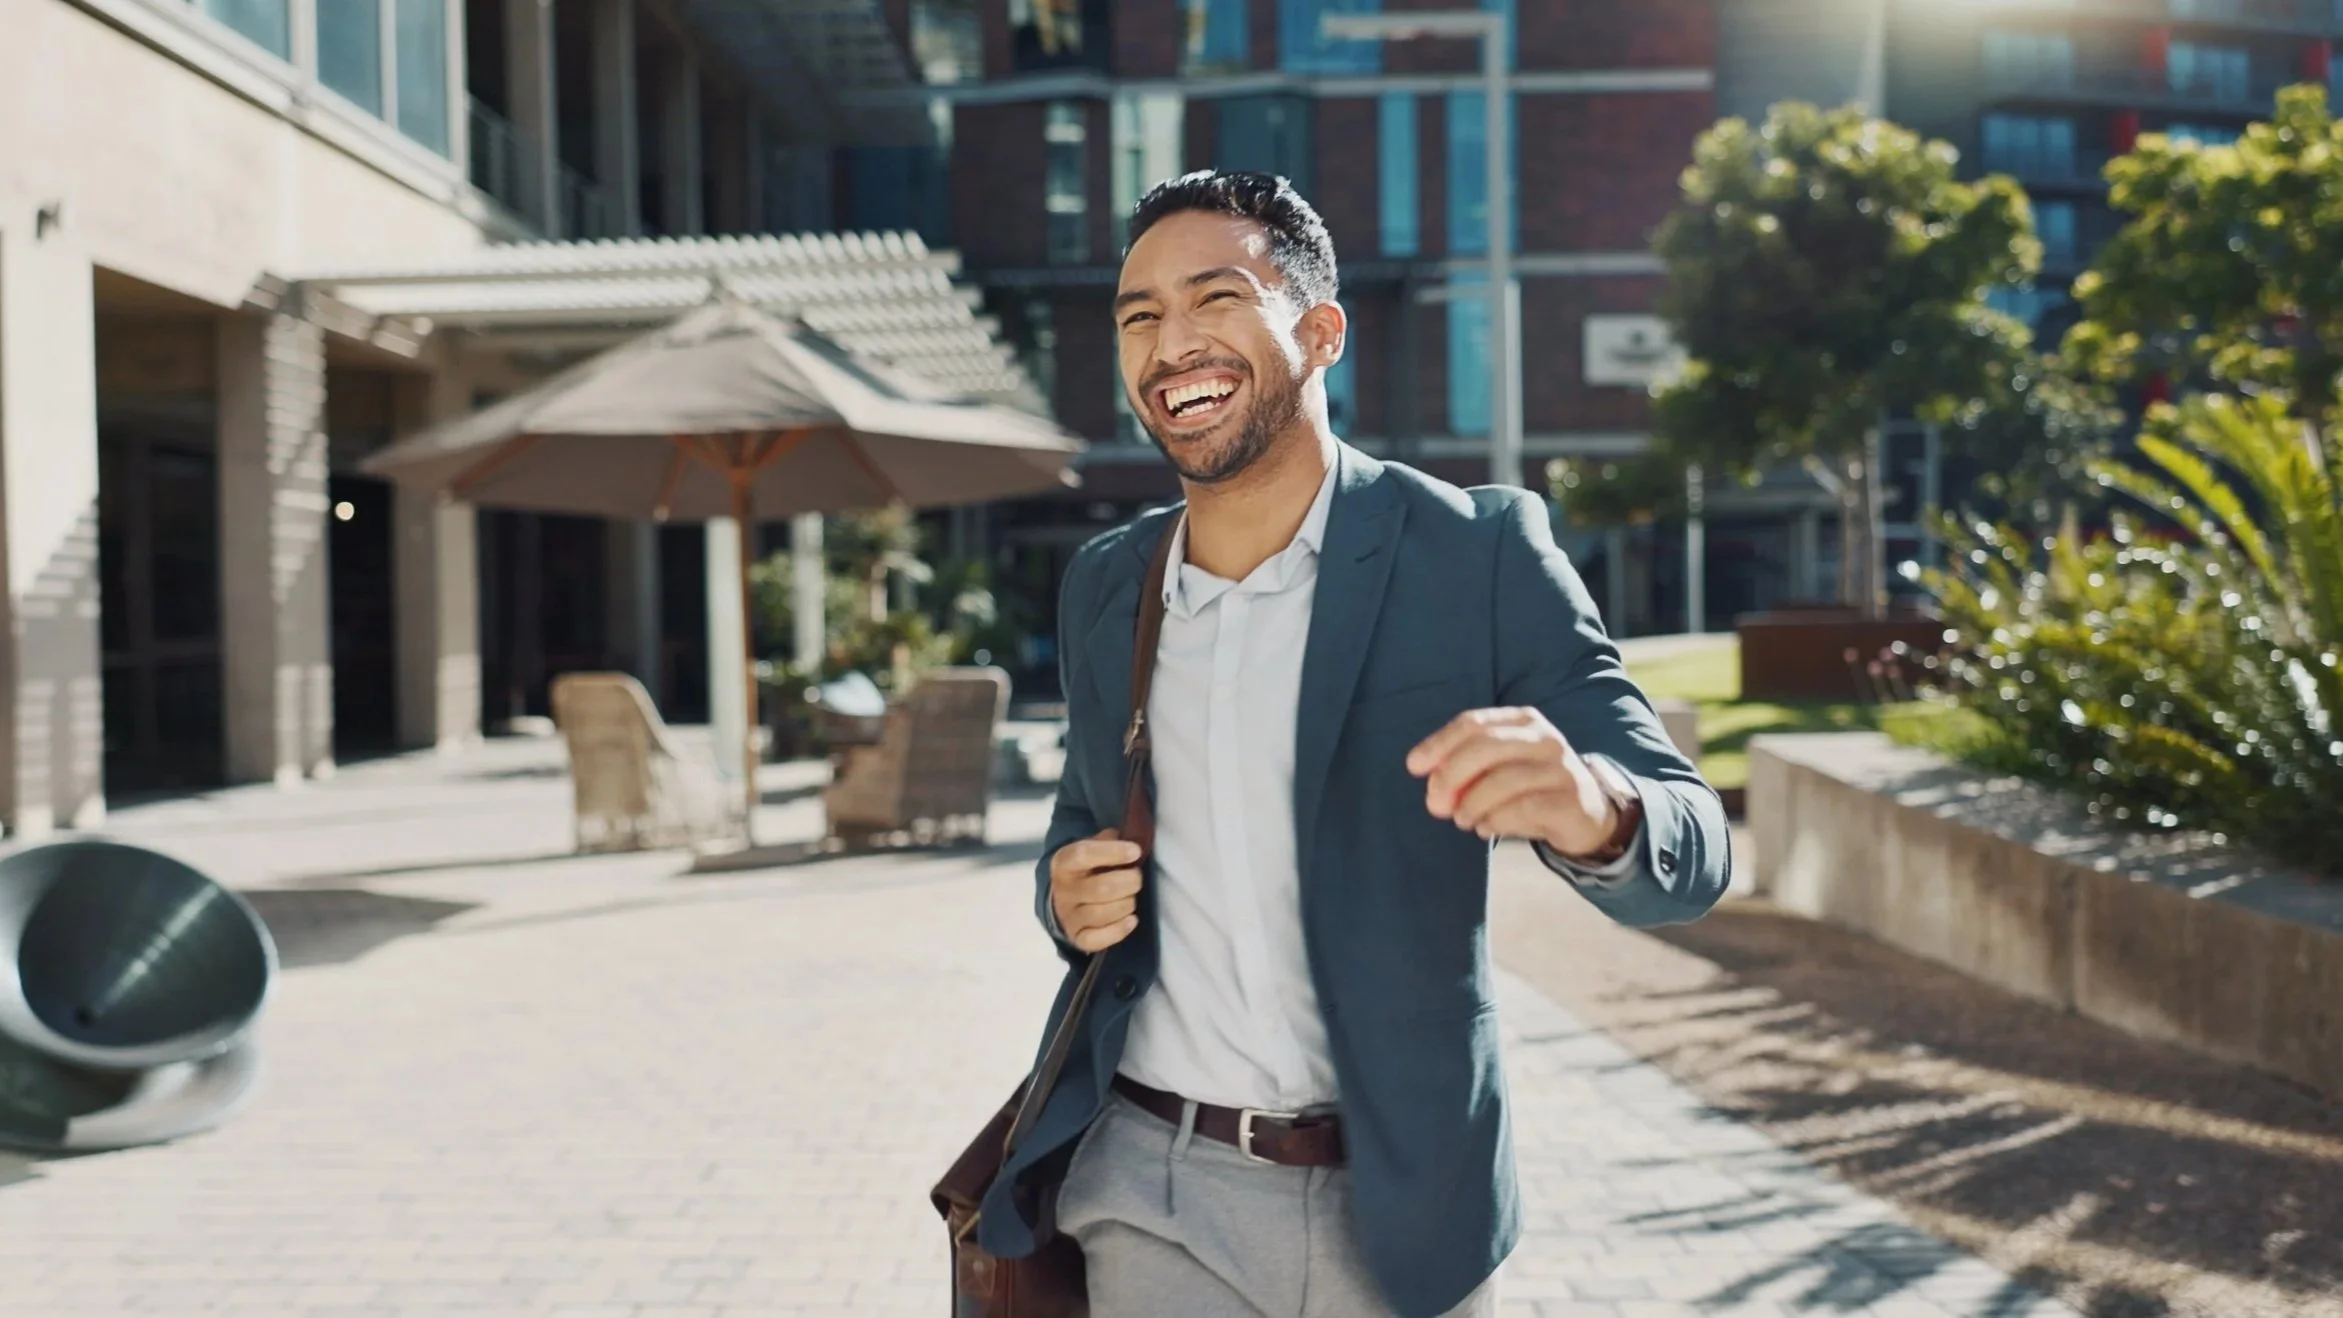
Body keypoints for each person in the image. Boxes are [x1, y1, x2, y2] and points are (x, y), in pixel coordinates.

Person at [973, 170, 1733, 1318]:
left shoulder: (1476, 554)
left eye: (1215, 300)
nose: (1171, 345)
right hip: (1151, 1184)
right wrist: (1061, 894)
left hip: (1406, 1202)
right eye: (1140, 318)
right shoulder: (1107, 584)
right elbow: (1082, 833)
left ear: (1320, 331)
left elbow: (1693, 846)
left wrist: (1596, 808)